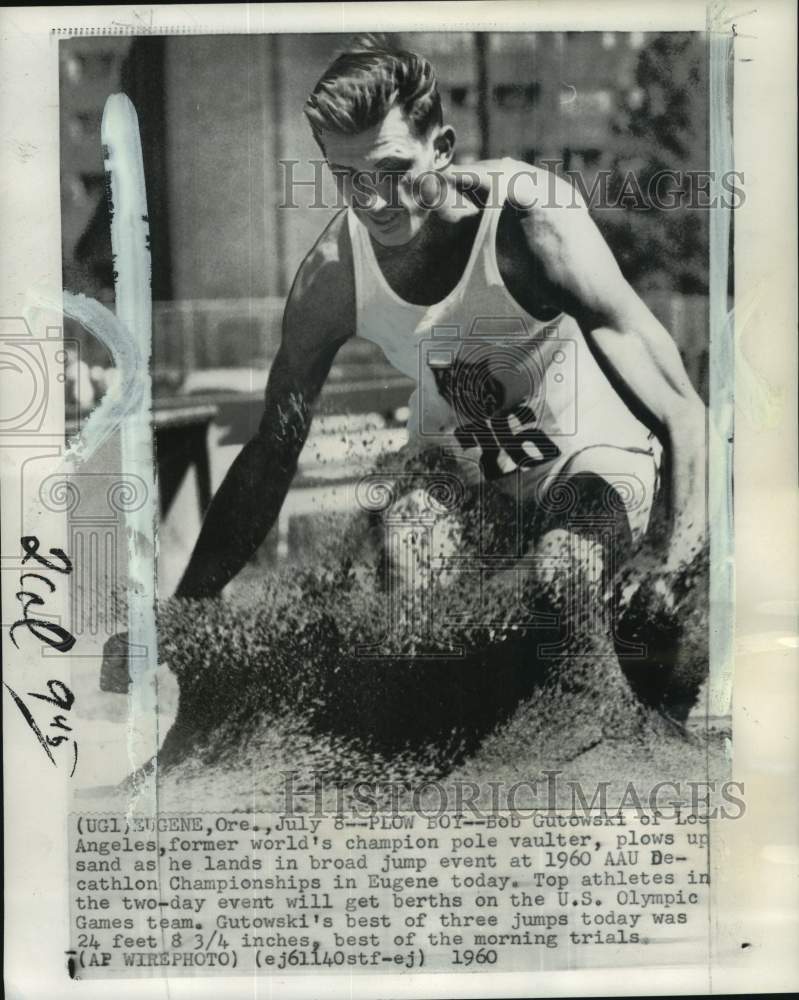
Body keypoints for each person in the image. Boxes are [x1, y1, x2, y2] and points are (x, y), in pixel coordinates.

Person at [172, 36, 705, 622]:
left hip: (593, 460)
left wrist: (673, 573)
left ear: (442, 149)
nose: (374, 203)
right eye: (348, 177)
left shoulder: (532, 227)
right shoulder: (333, 276)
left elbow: (684, 412)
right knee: (408, 550)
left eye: (393, 170)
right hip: (467, 477)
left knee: (560, 574)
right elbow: (273, 451)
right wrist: (184, 611)